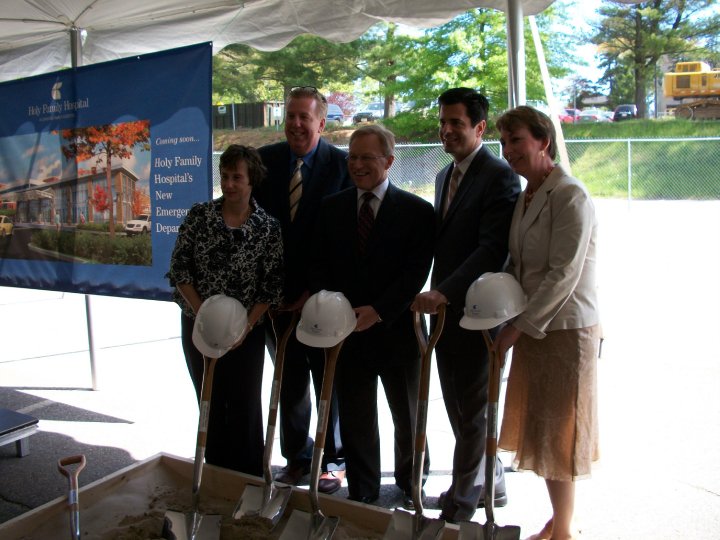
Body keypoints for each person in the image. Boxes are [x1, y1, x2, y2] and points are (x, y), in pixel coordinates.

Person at [309, 124, 434, 505]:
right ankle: (363, 492)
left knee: (408, 416)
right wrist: (338, 310)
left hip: (399, 331)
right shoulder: (331, 208)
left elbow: (416, 271)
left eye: (367, 157)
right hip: (348, 333)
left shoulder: (417, 211)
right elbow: (319, 265)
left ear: (389, 161)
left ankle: (412, 483)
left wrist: (379, 311)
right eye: (353, 157)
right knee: (357, 419)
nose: (358, 165)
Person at [411, 87, 520, 523]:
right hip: (445, 313)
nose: (446, 130)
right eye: (442, 122)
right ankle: (490, 479)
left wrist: (446, 291)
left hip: (480, 312)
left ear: (479, 127)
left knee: (474, 410)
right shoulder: (445, 175)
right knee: (457, 405)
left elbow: (492, 249)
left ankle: (463, 499)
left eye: (456, 122)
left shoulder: (499, 176)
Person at [493, 106, 600, 540]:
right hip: (534, 325)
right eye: (504, 142)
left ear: (543, 141)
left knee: (560, 431)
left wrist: (516, 328)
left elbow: (564, 273)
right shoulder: (529, 194)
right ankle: (560, 519)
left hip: (564, 330)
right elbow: (519, 265)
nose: (508, 150)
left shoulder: (570, 194)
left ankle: (565, 531)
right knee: (543, 427)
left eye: (516, 140)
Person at [253, 86, 352, 494]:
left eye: (304, 117)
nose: (295, 124)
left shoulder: (343, 166)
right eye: (290, 116)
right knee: (289, 381)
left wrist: (312, 290)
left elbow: (346, 239)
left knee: (329, 380)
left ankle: (334, 459)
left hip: (324, 297)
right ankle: (298, 456)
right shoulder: (265, 162)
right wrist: (269, 292)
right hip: (276, 300)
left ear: (321, 123)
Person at [166, 144, 283, 476]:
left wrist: (246, 325)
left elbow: (271, 286)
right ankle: (215, 474)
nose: (229, 184)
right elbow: (179, 271)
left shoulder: (267, 227)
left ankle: (249, 478)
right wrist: (205, 315)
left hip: (246, 331)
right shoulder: (199, 216)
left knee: (245, 404)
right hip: (199, 325)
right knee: (210, 401)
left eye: (237, 177)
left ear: (251, 180)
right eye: (225, 176)